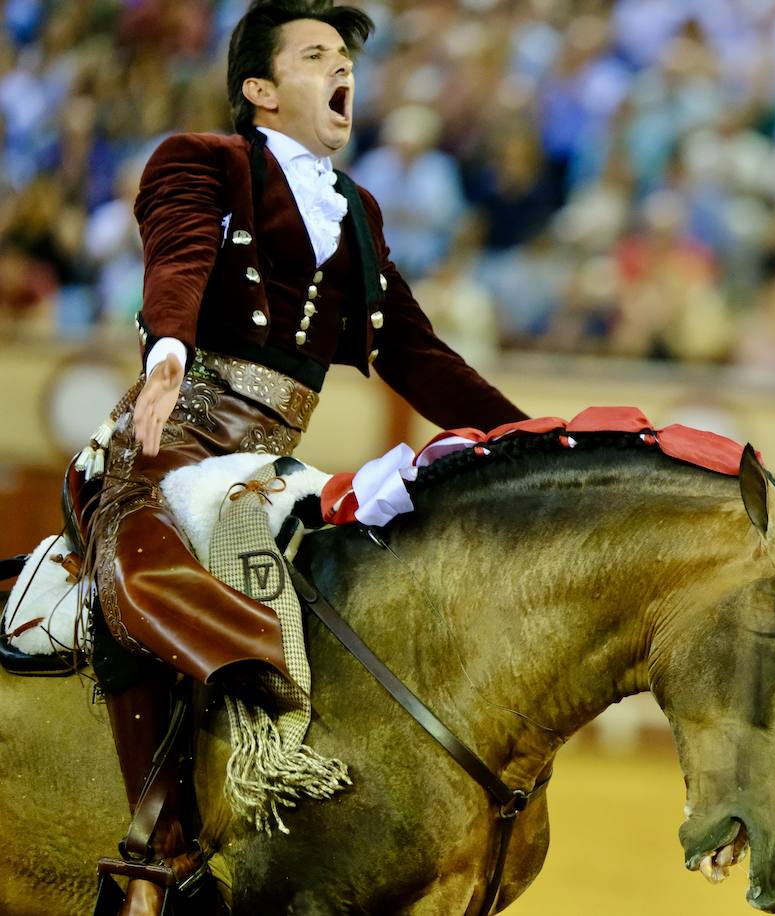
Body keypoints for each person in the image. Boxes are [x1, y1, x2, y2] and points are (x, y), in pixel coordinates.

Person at [82, 3, 527, 913]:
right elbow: (179, 259)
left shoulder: (354, 211)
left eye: (347, 59)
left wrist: (530, 439)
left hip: (267, 469)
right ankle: (157, 843)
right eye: (316, 55)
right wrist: (167, 348)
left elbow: (416, 354)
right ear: (260, 90)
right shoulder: (202, 161)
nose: (343, 72)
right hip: (168, 450)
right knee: (150, 577)